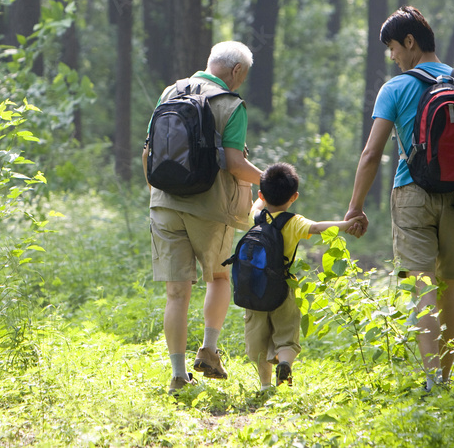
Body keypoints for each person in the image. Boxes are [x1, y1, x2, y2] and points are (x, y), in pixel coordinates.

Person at [345, 6, 454, 391]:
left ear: (410, 41)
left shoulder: (396, 88)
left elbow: (371, 154)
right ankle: (446, 379)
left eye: (392, 48)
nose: (392, 56)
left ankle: (432, 380)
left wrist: (355, 206)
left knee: (421, 286)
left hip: (411, 194)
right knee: (449, 288)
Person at [143, 41, 263, 394]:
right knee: (218, 277)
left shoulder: (170, 92)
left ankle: (178, 375)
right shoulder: (230, 104)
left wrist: (158, 191)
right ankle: (209, 351)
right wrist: (270, 178)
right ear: (236, 71)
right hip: (209, 208)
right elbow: (234, 162)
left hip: (164, 202)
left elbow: (149, 151)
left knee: (176, 293)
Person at [245, 163, 364, 391]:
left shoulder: (256, 216)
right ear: (294, 197)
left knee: (258, 340)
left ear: (261, 194)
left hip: (254, 288)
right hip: (284, 287)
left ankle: (265, 386)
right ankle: (286, 363)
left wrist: (262, 192)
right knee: (286, 334)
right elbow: (319, 227)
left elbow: (259, 201)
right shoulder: (294, 222)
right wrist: (346, 224)